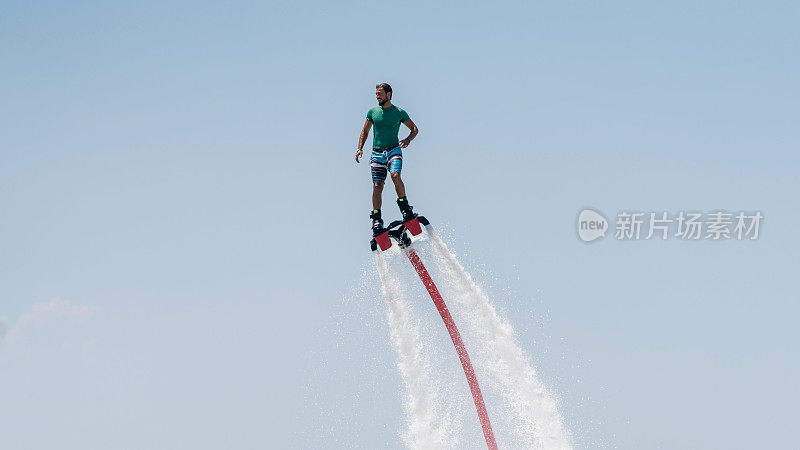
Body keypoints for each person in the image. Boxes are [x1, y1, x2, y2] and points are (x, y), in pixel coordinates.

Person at [355, 83, 419, 234]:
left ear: (388, 94)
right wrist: (359, 148)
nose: (377, 96)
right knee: (378, 186)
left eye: (380, 94)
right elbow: (365, 131)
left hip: (393, 150)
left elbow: (414, 129)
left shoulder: (399, 112)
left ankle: (405, 207)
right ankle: (377, 219)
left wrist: (408, 139)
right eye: (376, 94)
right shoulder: (373, 112)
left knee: (395, 175)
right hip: (377, 153)